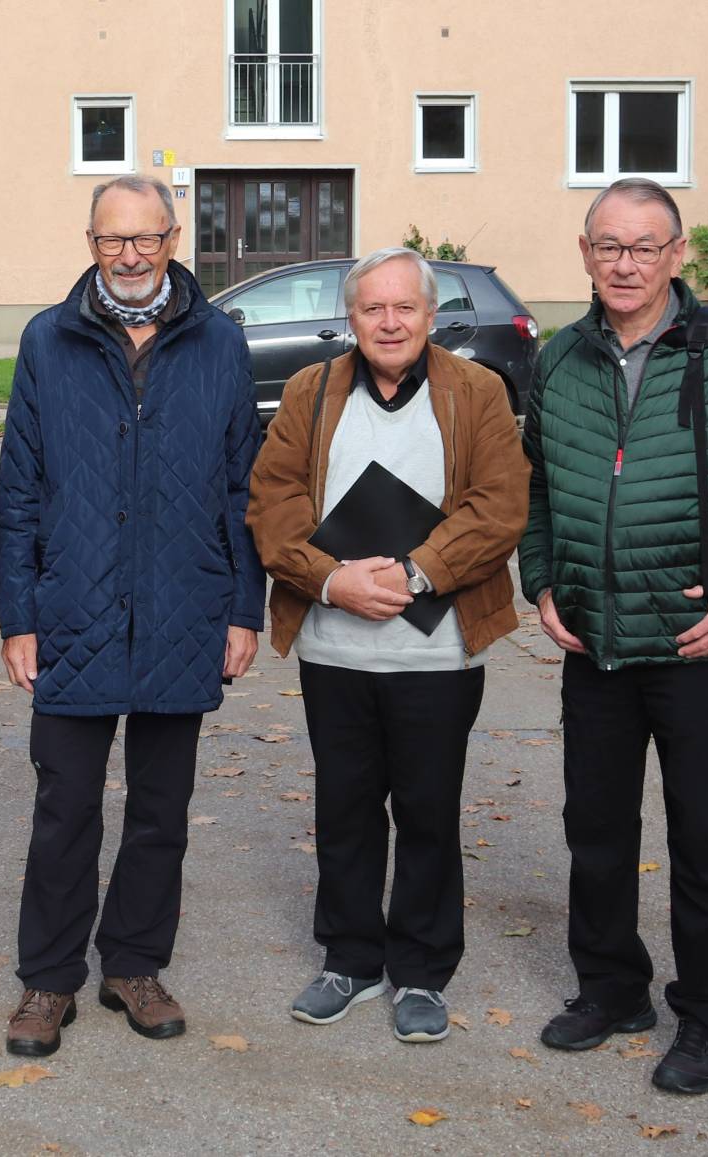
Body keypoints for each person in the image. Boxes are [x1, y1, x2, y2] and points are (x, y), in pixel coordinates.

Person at [521, 178, 708, 1094]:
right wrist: (541, 581)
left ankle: (707, 1015)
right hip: (596, 645)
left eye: (644, 247)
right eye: (609, 246)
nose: (625, 264)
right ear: (585, 254)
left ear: (677, 255)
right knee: (597, 831)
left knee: (701, 837)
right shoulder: (558, 359)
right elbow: (536, 489)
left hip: (698, 643)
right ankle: (612, 988)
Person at [0, 175, 265, 1057]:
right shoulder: (49, 338)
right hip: (73, 607)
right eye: (113, 241)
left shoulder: (220, 341)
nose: (130, 256)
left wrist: (242, 607)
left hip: (185, 609)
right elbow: (20, 489)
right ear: (90, 243)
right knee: (64, 805)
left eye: (145, 239)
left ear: (173, 237)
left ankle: (135, 965)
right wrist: (19, 615)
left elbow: (241, 486)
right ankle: (47, 980)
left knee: (162, 808)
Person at [247, 247, 527, 1043]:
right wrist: (333, 582)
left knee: (429, 813)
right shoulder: (310, 391)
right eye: (374, 309)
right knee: (344, 812)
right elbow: (272, 504)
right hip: (334, 649)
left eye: (406, 308)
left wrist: (414, 571)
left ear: (432, 317)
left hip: (437, 653)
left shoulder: (477, 391)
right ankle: (350, 958)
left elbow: (500, 507)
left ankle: (423, 971)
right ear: (353, 318)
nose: (391, 321)